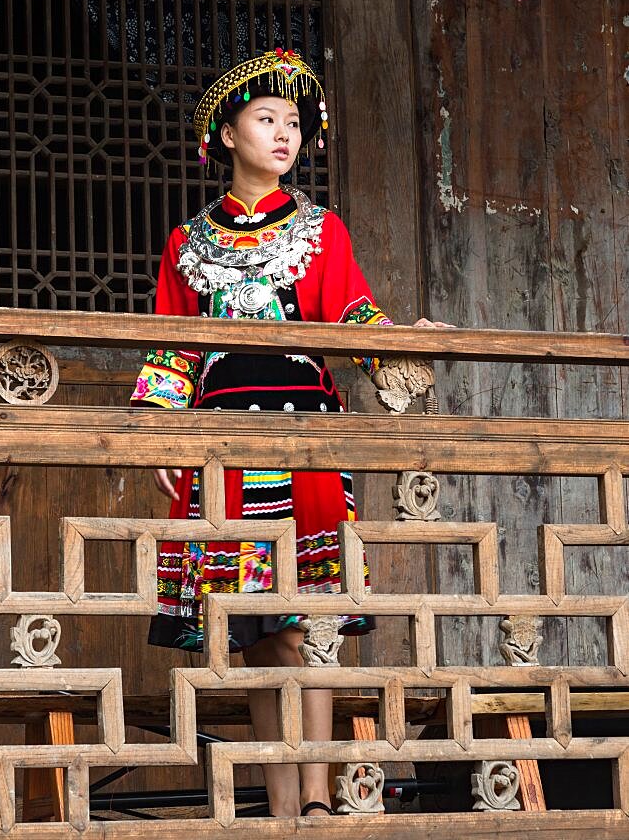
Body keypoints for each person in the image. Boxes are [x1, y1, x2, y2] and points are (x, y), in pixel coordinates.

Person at [131, 49, 451, 817]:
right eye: (267, 119)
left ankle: (314, 798)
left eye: (295, 124)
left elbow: (352, 316)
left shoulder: (320, 230)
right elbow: (172, 348)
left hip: (306, 440)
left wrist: (404, 341)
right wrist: (158, 436)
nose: (284, 134)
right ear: (227, 134)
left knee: (311, 622)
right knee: (253, 632)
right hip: (222, 448)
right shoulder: (186, 242)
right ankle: (282, 804)